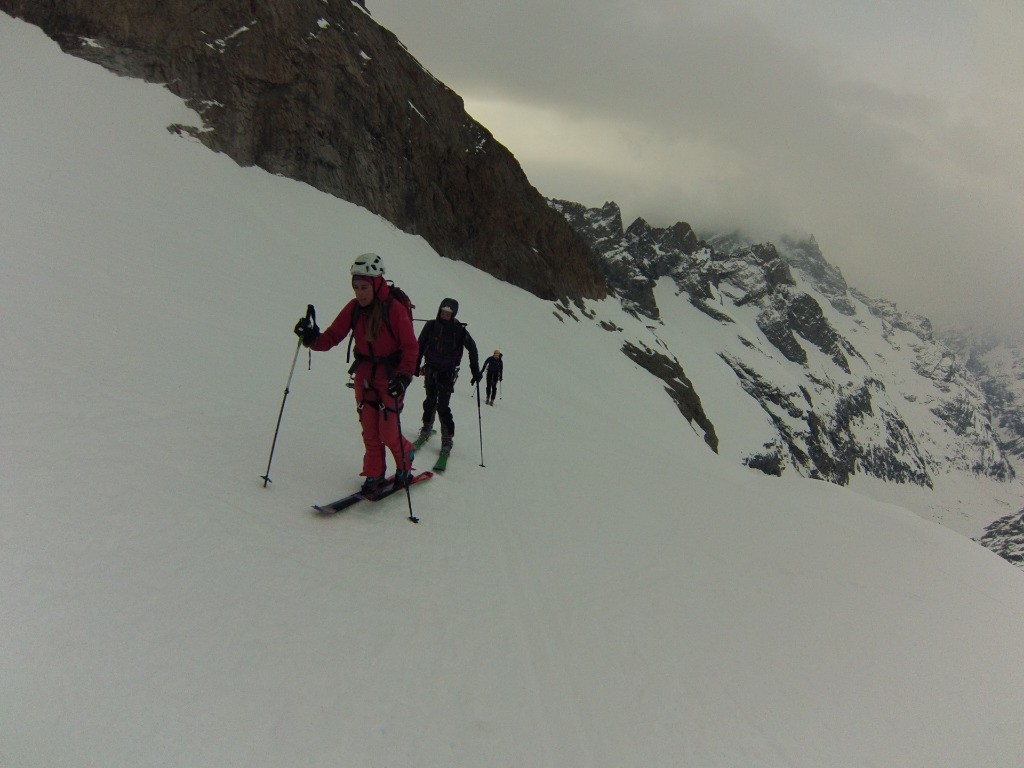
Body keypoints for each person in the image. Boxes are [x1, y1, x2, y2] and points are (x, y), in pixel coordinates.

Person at [294, 253, 418, 493]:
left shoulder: (394, 310)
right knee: (370, 431)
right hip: (364, 377)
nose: (359, 293)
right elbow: (331, 337)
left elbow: (411, 346)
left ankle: (406, 459)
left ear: (376, 283)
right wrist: (311, 339)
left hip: (390, 378)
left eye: (364, 287)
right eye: (356, 287)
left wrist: (404, 378)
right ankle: (374, 474)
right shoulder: (354, 309)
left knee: (389, 432)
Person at [416, 298, 480, 456]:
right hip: (430, 369)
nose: (445, 314)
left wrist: (475, 370)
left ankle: (447, 439)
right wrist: (414, 365)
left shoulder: (459, 330)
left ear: (453, 314)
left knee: (443, 406)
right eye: (443, 311)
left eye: (449, 313)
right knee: (430, 400)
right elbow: (420, 345)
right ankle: (426, 427)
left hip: (447, 372)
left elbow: (472, 348)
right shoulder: (431, 326)